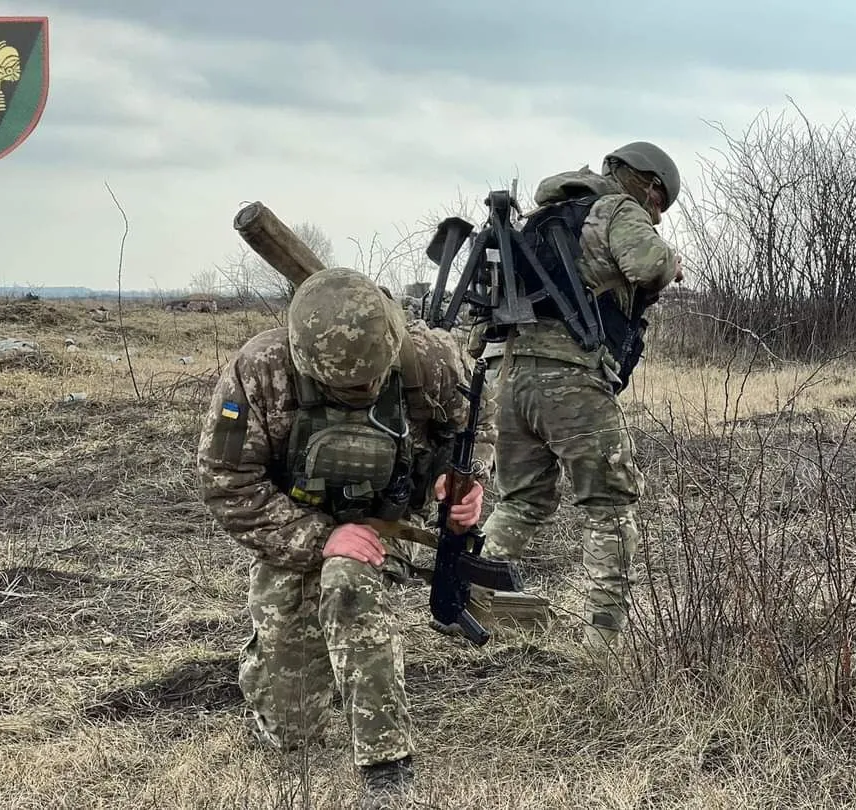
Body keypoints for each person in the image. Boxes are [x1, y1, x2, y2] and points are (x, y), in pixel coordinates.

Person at [196, 267, 495, 809]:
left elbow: (477, 426)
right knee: (292, 732)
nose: (362, 392)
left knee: (348, 583)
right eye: (347, 389)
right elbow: (228, 485)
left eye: (371, 382)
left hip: (385, 525)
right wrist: (320, 538)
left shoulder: (431, 360)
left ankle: (387, 763)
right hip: (295, 527)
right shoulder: (259, 372)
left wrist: (465, 486)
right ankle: (296, 685)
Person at [473, 141, 683, 653]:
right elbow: (649, 266)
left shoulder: (541, 220)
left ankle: (472, 604)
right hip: (569, 377)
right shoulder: (615, 208)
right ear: (648, 184)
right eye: (660, 203)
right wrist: (673, 265)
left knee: (522, 499)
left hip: (511, 376)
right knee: (610, 506)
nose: (656, 212)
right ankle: (601, 643)